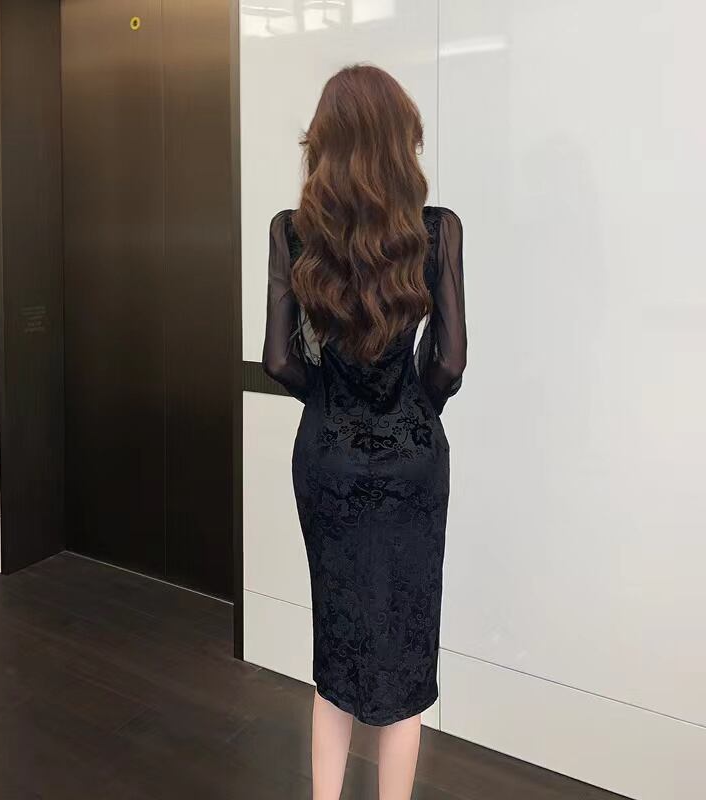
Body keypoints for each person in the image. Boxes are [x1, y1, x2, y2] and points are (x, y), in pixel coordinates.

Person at [262, 64, 467, 800]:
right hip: (413, 462)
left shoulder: (293, 232)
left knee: (338, 641)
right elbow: (449, 362)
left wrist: (331, 405)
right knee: (404, 655)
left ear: (325, 145)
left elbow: (279, 359)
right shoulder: (436, 230)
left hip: (327, 460)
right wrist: (411, 412)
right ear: (399, 143)